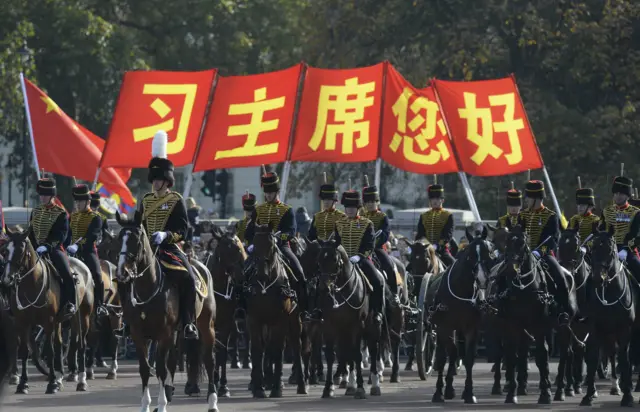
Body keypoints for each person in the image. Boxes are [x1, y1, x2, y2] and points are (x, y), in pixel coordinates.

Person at [139, 131, 198, 339]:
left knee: (189, 278)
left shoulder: (176, 200)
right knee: (125, 276)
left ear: (167, 181)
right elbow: (139, 226)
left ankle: (189, 322)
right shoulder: (145, 200)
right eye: (153, 179)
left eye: (159, 179)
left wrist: (165, 235)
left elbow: (184, 230)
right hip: (146, 250)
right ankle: (129, 321)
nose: (155, 183)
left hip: (169, 248)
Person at [245, 170, 308, 314]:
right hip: (260, 248)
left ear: (277, 192)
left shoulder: (286, 210)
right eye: (266, 192)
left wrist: (278, 238)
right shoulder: (258, 210)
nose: (268, 195)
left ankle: (303, 308)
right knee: (243, 271)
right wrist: (252, 243)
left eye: (271, 192)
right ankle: (242, 306)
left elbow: (291, 231)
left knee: (299, 272)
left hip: (281, 247)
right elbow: (249, 232)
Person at [334, 190, 385, 324]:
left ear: (358, 208)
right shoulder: (339, 223)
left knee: (377, 281)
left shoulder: (367, 223)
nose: (349, 210)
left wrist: (359, 257)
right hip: (342, 261)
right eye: (347, 207)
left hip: (361, 260)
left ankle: (377, 311)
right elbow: (336, 243)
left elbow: (369, 245)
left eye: (352, 207)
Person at [28, 176, 76, 318]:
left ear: (52, 195)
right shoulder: (35, 211)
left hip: (54, 249)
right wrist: (31, 245)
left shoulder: (60, 213)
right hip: (35, 249)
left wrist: (47, 246)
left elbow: (61, 235)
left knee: (67, 275)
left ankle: (70, 303)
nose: (42, 197)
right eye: (41, 194)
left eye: (46, 195)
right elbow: (31, 231)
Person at [67, 184, 108, 318]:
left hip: (88, 251)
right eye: (76, 201)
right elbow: (67, 235)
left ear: (88, 202)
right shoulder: (72, 216)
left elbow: (92, 236)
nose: (78, 204)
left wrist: (78, 245)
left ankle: (100, 305)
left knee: (97, 274)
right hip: (71, 252)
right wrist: (66, 245)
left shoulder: (96, 217)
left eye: (81, 201)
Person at [598, 176, 640, 283]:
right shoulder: (606, 211)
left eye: (621, 194)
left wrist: (625, 248)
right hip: (607, 249)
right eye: (616, 193)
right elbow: (600, 231)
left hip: (627, 251)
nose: (618, 196)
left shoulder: (636, 212)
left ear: (627, 195)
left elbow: (637, 235)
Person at [362, 184, 399, 304]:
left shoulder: (383, 217)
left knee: (388, 265)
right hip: (361, 250)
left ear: (377, 202)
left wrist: (374, 244)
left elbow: (385, 234)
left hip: (377, 248)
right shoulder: (360, 217)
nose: (370, 204)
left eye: (373, 201)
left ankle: (394, 293)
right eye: (367, 202)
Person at [414, 183, 455, 266]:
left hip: (441, 250)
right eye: (432, 199)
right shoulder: (424, 215)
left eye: (437, 198)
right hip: (425, 249)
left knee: (455, 266)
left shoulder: (448, 215)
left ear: (442, 200)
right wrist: (424, 245)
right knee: (410, 266)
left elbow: (448, 235)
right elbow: (420, 234)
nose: (435, 201)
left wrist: (437, 246)